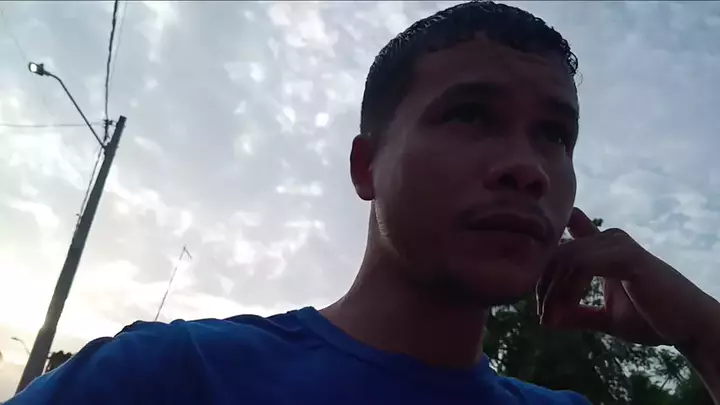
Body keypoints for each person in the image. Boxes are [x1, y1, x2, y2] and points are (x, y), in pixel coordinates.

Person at [8, 1, 720, 404]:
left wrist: (700, 330)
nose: (528, 169)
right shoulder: (167, 378)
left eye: (555, 135)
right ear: (364, 165)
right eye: (471, 115)